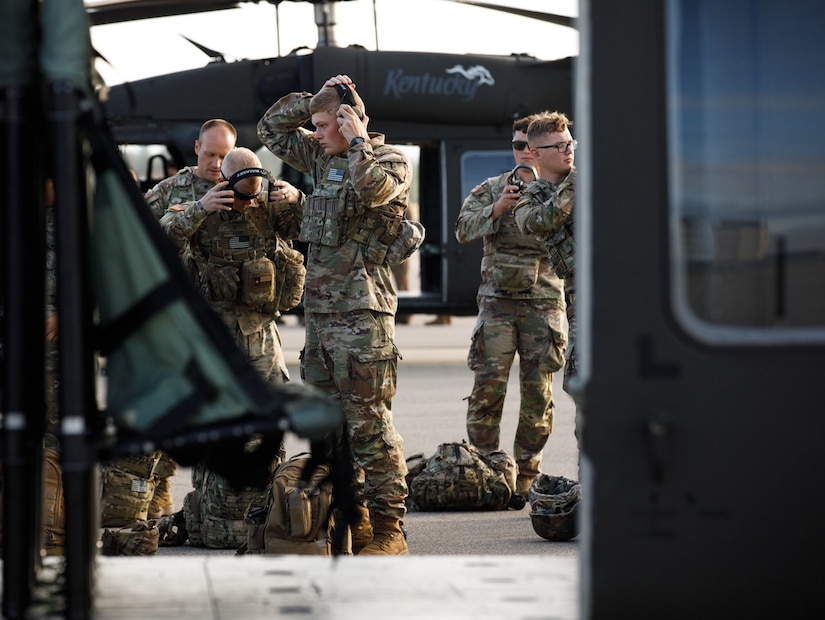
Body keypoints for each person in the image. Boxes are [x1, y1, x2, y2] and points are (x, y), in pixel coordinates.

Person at [257, 73, 412, 555]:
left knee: (370, 426)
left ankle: (390, 530)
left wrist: (358, 137)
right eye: (317, 126)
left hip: (363, 319)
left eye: (325, 126)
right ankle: (357, 520)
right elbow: (271, 132)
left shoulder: (388, 159)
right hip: (321, 318)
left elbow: (374, 192)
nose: (316, 133)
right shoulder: (324, 161)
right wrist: (313, 101)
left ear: (349, 123)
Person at [455, 114, 568, 500]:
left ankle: (526, 475)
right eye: (517, 146)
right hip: (498, 306)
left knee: (538, 397)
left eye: (528, 146)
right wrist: (498, 207)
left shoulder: (564, 190)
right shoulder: (492, 188)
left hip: (544, 306)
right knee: (487, 391)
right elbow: (463, 230)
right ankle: (488, 472)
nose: (523, 152)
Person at [159, 146, 304, 385]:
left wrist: (297, 200)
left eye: (252, 196)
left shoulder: (267, 208)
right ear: (223, 182)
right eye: (241, 196)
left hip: (259, 332)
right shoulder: (200, 210)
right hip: (214, 332)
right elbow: (166, 238)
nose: (247, 203)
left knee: (274, 403)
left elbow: (311, 230)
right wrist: (200, 209)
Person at [513, 110, 577, 405]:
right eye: (560, 146)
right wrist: (578, 179)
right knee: (585, 389)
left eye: (570, 143)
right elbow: (543, 219)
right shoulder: (530, 198)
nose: (568, 150)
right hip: (584, 304)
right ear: (536, 153)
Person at [144, 119, 237, 222]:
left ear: (233, 153)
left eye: (223, 156)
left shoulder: (241, 189)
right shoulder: (166, 190)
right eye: (210, 155)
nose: (216, 164)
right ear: (197, 147)